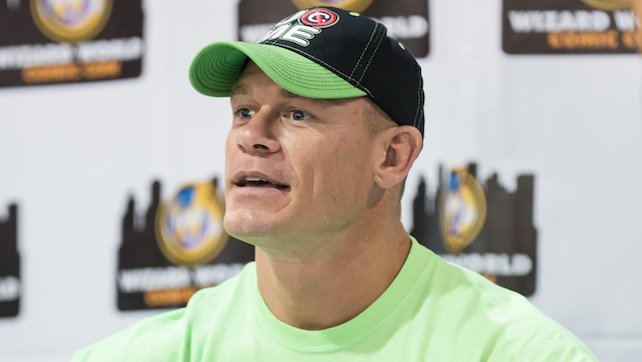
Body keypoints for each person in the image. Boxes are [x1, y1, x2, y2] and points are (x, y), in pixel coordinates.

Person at [73, 6, 597, 361]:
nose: (252, 136)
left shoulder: (514, 351)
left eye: (298, 114)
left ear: (393, 156)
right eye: (243, 110)